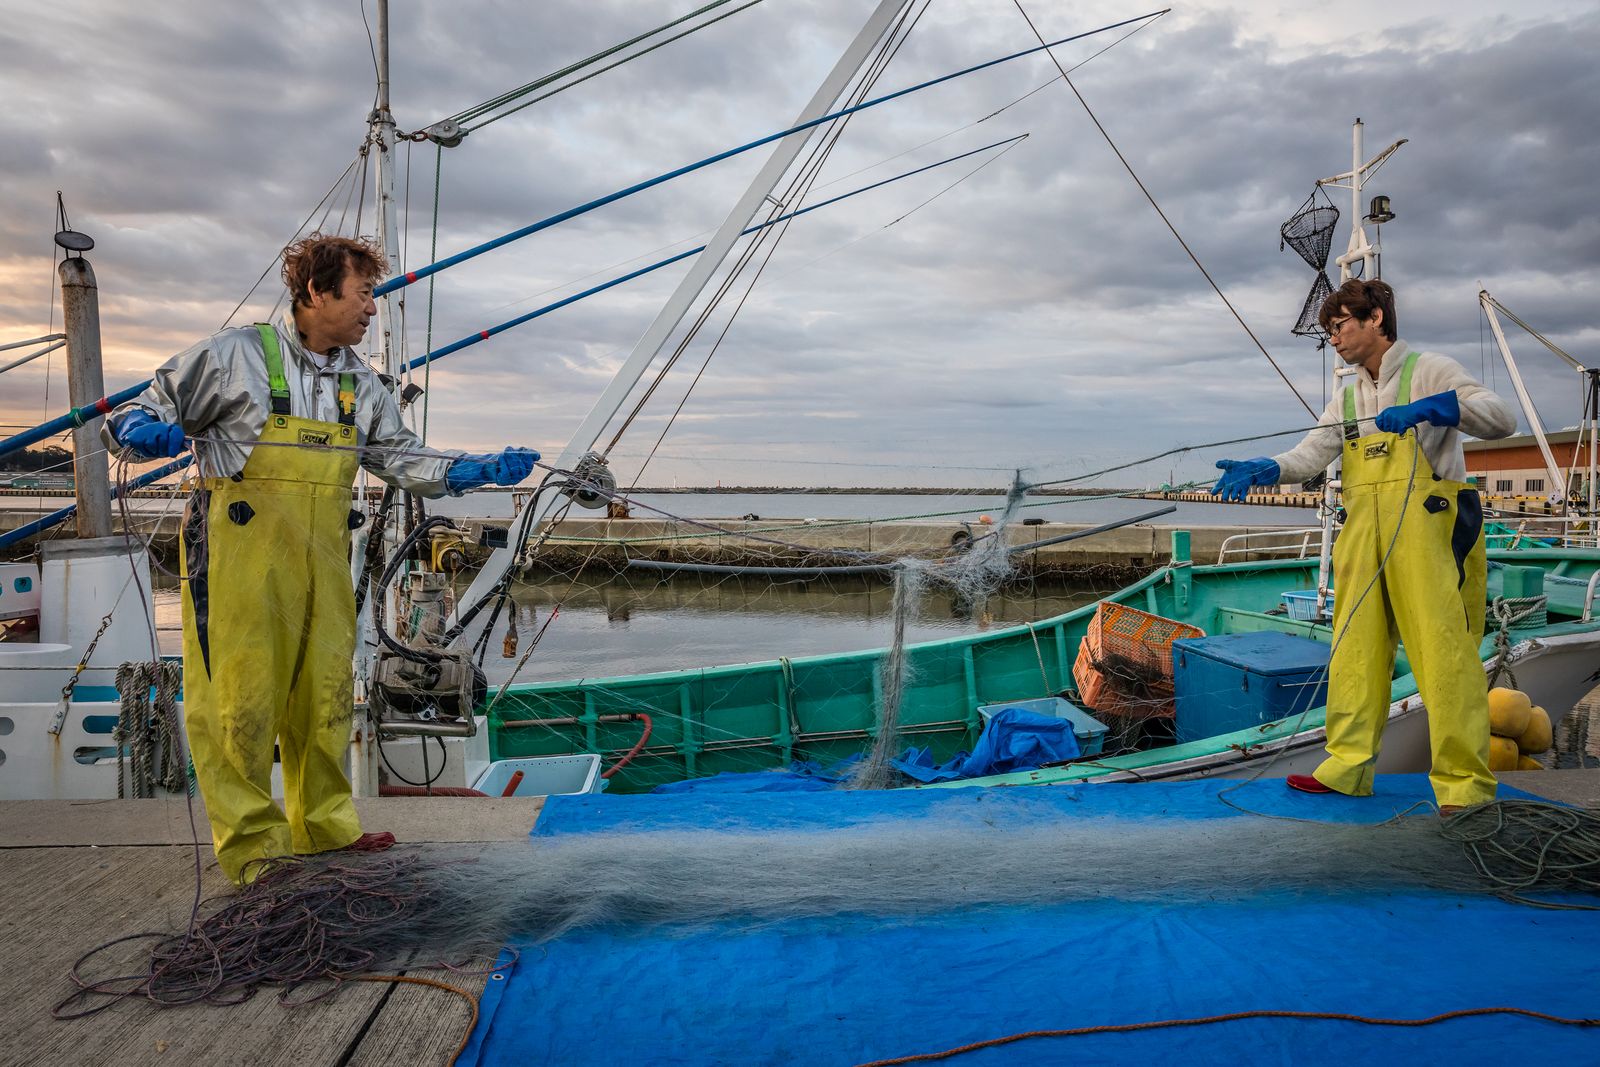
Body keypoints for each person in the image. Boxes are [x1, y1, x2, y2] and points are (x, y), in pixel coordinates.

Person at [103, 233, 538, 883]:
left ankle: (324, 826)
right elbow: (142, 411)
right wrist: (142, 432)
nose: (371, 310)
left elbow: (402, 459)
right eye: (364, 294)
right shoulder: (234, 356)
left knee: (325, 695)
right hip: (236, 555)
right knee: (239, 701)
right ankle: (253, 845)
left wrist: (472, 470)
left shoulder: (360, 382)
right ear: (316, 290)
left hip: (323, 559)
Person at [1212, 278, 1516, 812]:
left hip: (1430, 535)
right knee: (1355, 651)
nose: (1334, 336)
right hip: (1363, 538)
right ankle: (1347, 768)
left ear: (1376, 318)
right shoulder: (1348, 395)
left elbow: (1499, 417)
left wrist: (1437, 407)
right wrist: (1269, 468)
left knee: (1446, 659)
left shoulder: (1430, 369)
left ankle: (1463, 786)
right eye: (1330, 329)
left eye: (1341, 324)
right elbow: (1312, 453)